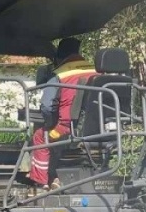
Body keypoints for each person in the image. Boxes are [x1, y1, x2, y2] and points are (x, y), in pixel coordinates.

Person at [24, 37, 95, 188]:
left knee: (40, 137)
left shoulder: (59, 76)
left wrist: (50, 122)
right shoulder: (95, 72)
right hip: (95, 128)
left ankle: (40, 180)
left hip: (66, 128)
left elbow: (47, 107)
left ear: (59, 57)